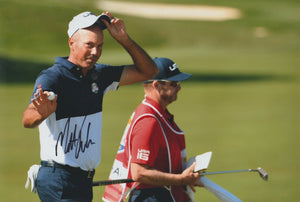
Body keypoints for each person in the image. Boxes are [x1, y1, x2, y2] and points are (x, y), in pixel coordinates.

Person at [22, 11, 158, 202]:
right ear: (72, 43)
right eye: (89, 45)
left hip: (82, 181)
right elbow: (27, 119)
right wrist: (40, 115)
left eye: (100, 46)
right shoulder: (53, 77)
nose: (95, 52)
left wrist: (124, 40)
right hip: (59, 179)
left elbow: (149, 71)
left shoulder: (100, 75)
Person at [103, 57, 201, 202]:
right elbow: (139, 172)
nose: (179, 88)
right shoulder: (148, 120)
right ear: (157, 85)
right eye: (174, 84)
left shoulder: (157, 114)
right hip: (150, 197)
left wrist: (186, 177)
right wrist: (181, 180)